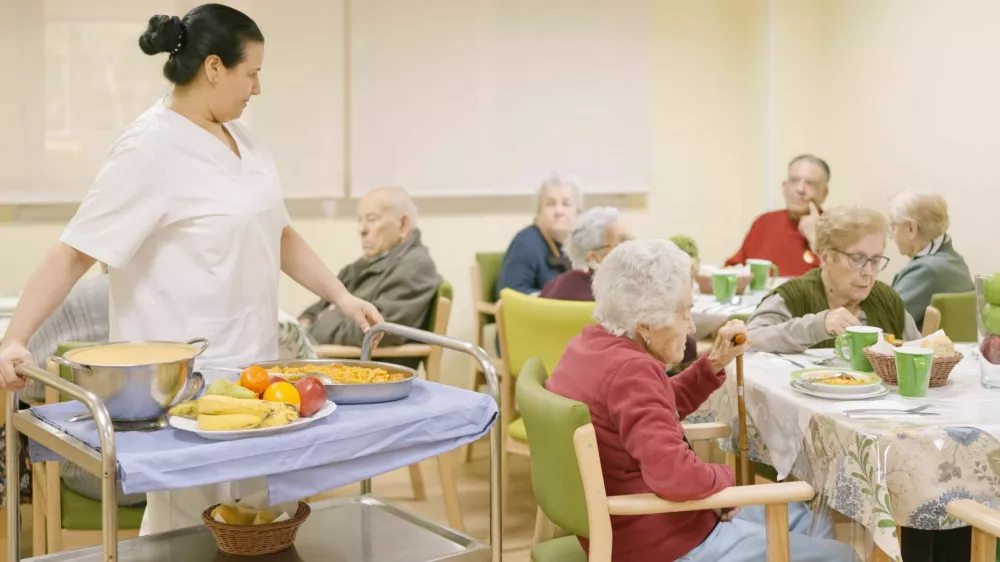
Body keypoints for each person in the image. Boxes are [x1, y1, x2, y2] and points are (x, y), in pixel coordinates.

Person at [0, 4, 382, 535]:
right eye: (252, 73)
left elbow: (280, 234)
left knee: (253, 522)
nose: (257, 88)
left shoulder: (244, 138)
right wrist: (16, 338)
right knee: (184, 530)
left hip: (254, 373)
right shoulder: (148, 147)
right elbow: (75, 250)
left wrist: (343, 297)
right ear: (214, 68)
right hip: (183, 387)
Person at [546, 239, 855, 561]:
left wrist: (714, 362)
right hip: (665, 539)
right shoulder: (632, 372)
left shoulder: (590, 345)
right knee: (842, 555)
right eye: (684, 313)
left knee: (809, 518)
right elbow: (675, 477)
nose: (692, 326)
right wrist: (725, 481)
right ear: (646, 326)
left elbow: (656, 407)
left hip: (641, 523)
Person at [747, 205, 921, 352]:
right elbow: (748, 340)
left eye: (875, 260)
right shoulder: (794, 296)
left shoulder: (886, 300)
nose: (868, 271)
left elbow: (919, 350)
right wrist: (817, 326)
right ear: (825, 257)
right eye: (857, 259)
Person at [299, 187, 441, 360]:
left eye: (372, 219)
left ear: (403, 224)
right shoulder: (366, 264)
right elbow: (320, 305)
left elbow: (378, 331)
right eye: (360, 220)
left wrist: (309, 330)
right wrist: (304, 324)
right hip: (332, 356)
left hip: (363, 370)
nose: (362, 229)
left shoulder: (416, 267)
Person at [726, 154, 830, 277]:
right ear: (784, 187)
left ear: (824, 193)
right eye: (794, 180)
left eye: (810, 183)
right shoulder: (764, 223)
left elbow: (842, 283)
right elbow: (734, 268)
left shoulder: (836, 228)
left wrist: (815, 238)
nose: (800, 189)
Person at [888, 188, 974, 329]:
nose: (892, 235)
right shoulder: (957, 262)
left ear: (911, 229)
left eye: (894, 226)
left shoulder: (926, 271)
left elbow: (883, 320)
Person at [494, 175, 580, 298]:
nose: (558, 211)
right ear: (539, 211)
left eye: (566, 204)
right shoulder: (526, 243)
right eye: (550, 204)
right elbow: (509, 294)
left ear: (577, 211)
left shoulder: (582, 244)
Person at [539, 206, 629, 300]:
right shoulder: (611, 300)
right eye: (622, 242)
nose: (630, 246)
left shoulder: (554, 285)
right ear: (594, 257)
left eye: (629, 239)